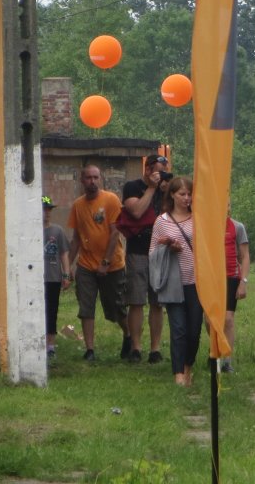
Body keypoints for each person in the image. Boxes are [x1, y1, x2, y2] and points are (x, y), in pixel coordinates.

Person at [67, 165, 130, 361]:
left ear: (100, 179)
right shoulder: (78, 205)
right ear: (82, 180)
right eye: (88, 178)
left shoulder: (110, 199)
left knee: (116, 308)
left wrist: (105, 262)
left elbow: (115, 233)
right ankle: (90, 349)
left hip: (112, 264)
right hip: (86, 265)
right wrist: (67, 267)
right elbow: (76, 238)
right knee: (86, 306)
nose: (92, 181)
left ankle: (128, 335)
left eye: (95, 177)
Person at [119, 154, 170, 364]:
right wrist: (151, 188)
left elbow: (171, 216)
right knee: (136, 300)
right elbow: (137, 212)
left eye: (165, 172)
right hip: (138, 250)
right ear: (148, 169)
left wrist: (166, 192)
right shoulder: (132, 187)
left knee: (157, 302)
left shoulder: (165, 190)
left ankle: (155, 349)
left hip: (160, 251)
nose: (161, 176)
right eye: (158, 171)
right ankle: (136, 347)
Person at [150, 176, 201, 386]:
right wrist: (168, 247)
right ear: (172, 195)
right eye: (182, 194)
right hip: (173, 283)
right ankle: (178, 373)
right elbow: (152, 252)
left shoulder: (198, 218)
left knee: (194, 330)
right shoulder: (161, 221)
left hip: (196, 282)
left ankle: (188, 366)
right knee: (178, 328)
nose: (186, 198)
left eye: (189, 194)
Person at [42, 196, 71, 360]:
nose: (46, 213)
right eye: (44, 209)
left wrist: (66, 274)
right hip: (38, 278)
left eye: (49, 209)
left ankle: (50, 345)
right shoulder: (31, 232)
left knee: (52, 310)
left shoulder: (57, 231)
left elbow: (64, 254)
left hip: (53, 277)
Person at [222, 212, 250, 373]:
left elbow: (245, 255)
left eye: (229, 205)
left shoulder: (237, 227)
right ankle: (216, 348)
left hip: (231, 276)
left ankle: (226, 360)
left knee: (228, 319)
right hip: (212, 278)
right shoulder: (207, 224)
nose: (226, 209)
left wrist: (243, 282)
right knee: (210, 320)